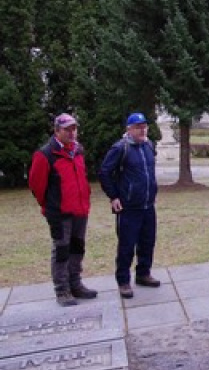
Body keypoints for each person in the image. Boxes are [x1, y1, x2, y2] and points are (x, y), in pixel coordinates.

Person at [29, 113, 97, 307]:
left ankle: (75, 284)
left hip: (80, 210)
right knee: (61, 250)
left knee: (77, 248)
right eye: (67, 129)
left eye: (74, 128)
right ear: (56, 130)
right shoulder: (45, 154)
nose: (71, 132)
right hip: (59, 213)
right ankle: (62, 290)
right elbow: (36, 185)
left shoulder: (78, 150)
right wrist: (49, 206)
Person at [99, 112, 160, 299]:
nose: (142, 129)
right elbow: (104, 172)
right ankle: (123, 281)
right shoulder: (120, 148)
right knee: (126, 245)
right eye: (138, 127)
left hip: (148, 205)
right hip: (129, 207)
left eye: (144, 126)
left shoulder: (149, 145)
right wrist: (114, 196)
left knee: (147, 242)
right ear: (129, 129)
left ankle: (143, 273)